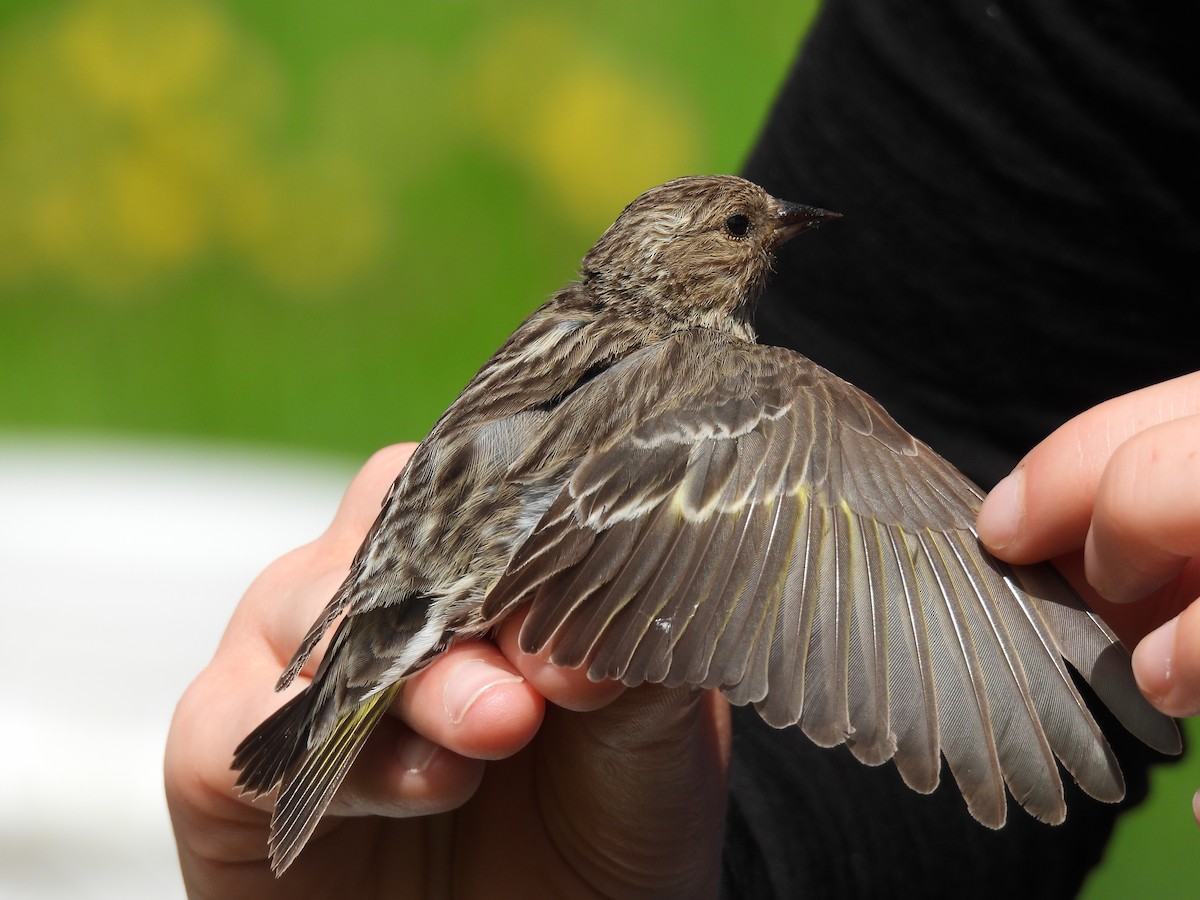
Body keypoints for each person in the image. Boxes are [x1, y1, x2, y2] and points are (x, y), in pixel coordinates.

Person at [166, 1, 1200, 896]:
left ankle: (350, 691)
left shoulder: (577, 334)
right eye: (741, 227)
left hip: (442, 571)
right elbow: (926, 440)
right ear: (687, 266)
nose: (775, 225)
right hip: (475, 611)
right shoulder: (759, 398)